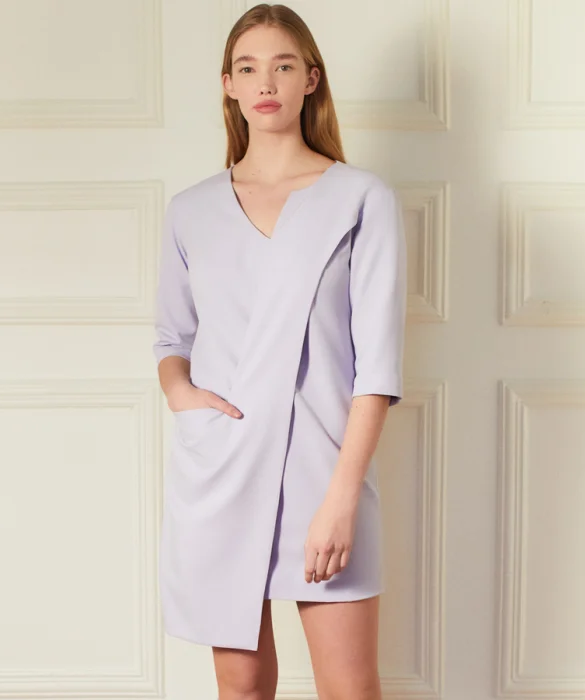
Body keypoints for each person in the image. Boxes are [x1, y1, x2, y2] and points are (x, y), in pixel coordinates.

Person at [153, 4, 407, 698]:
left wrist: (342, 498)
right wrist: (184, 397)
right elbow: (171, 339)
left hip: (324, 470)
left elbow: (377, 367)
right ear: (228, 85)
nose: (265, 82)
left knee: (349, 689)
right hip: (222, 468)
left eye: (283, 65)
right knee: (239, 689)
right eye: (248, 67)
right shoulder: (191, 210)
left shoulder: (361, 198)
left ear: (310, 79)